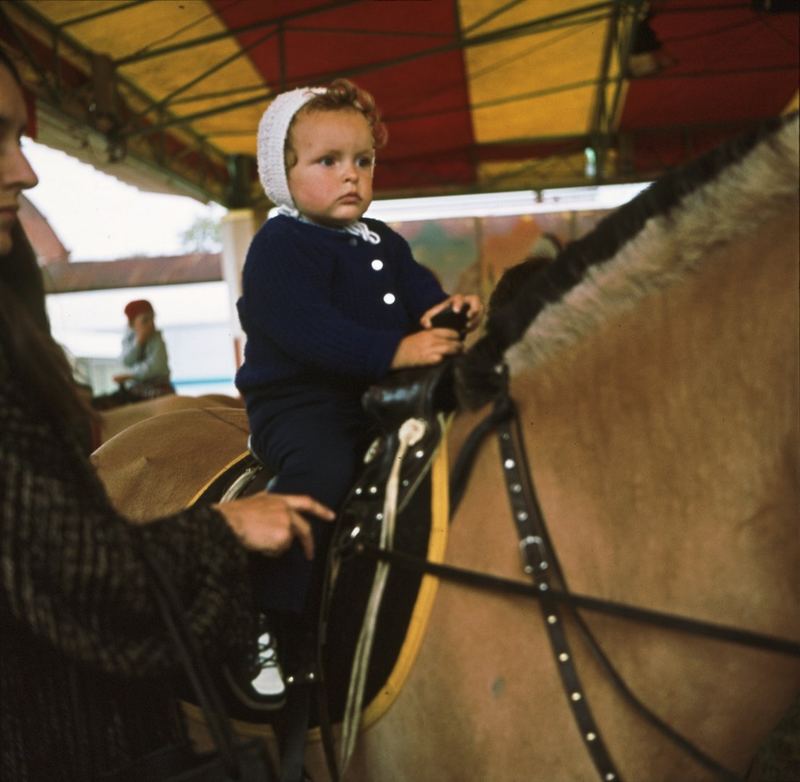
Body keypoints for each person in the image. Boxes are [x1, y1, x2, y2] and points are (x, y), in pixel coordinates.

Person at [0, 47, 335, 780]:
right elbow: (70, 570)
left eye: (21, 139)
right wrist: (222, 526)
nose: (25, 171)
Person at [234, 79, 482, 693]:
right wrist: (393, 349)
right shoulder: (280, 247)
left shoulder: (385, 242)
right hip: (303, 403)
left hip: (376, 395)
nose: (352, 176)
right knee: (321, 471)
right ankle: (269, 619)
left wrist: (446, 311)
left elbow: (421, 293)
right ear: (282, 173)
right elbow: (310, 331)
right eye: (328, 162)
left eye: (363, 161)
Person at [92, 298, 175, 409]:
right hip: (137, 387)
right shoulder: (130, 338)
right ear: (132, 323)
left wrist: (131, 375)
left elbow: (157, 366)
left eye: (152, 319)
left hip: (158, 386)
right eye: (145, 321)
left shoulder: (157, 338)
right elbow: (126, 361)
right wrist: (139, 342)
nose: (151, 324)